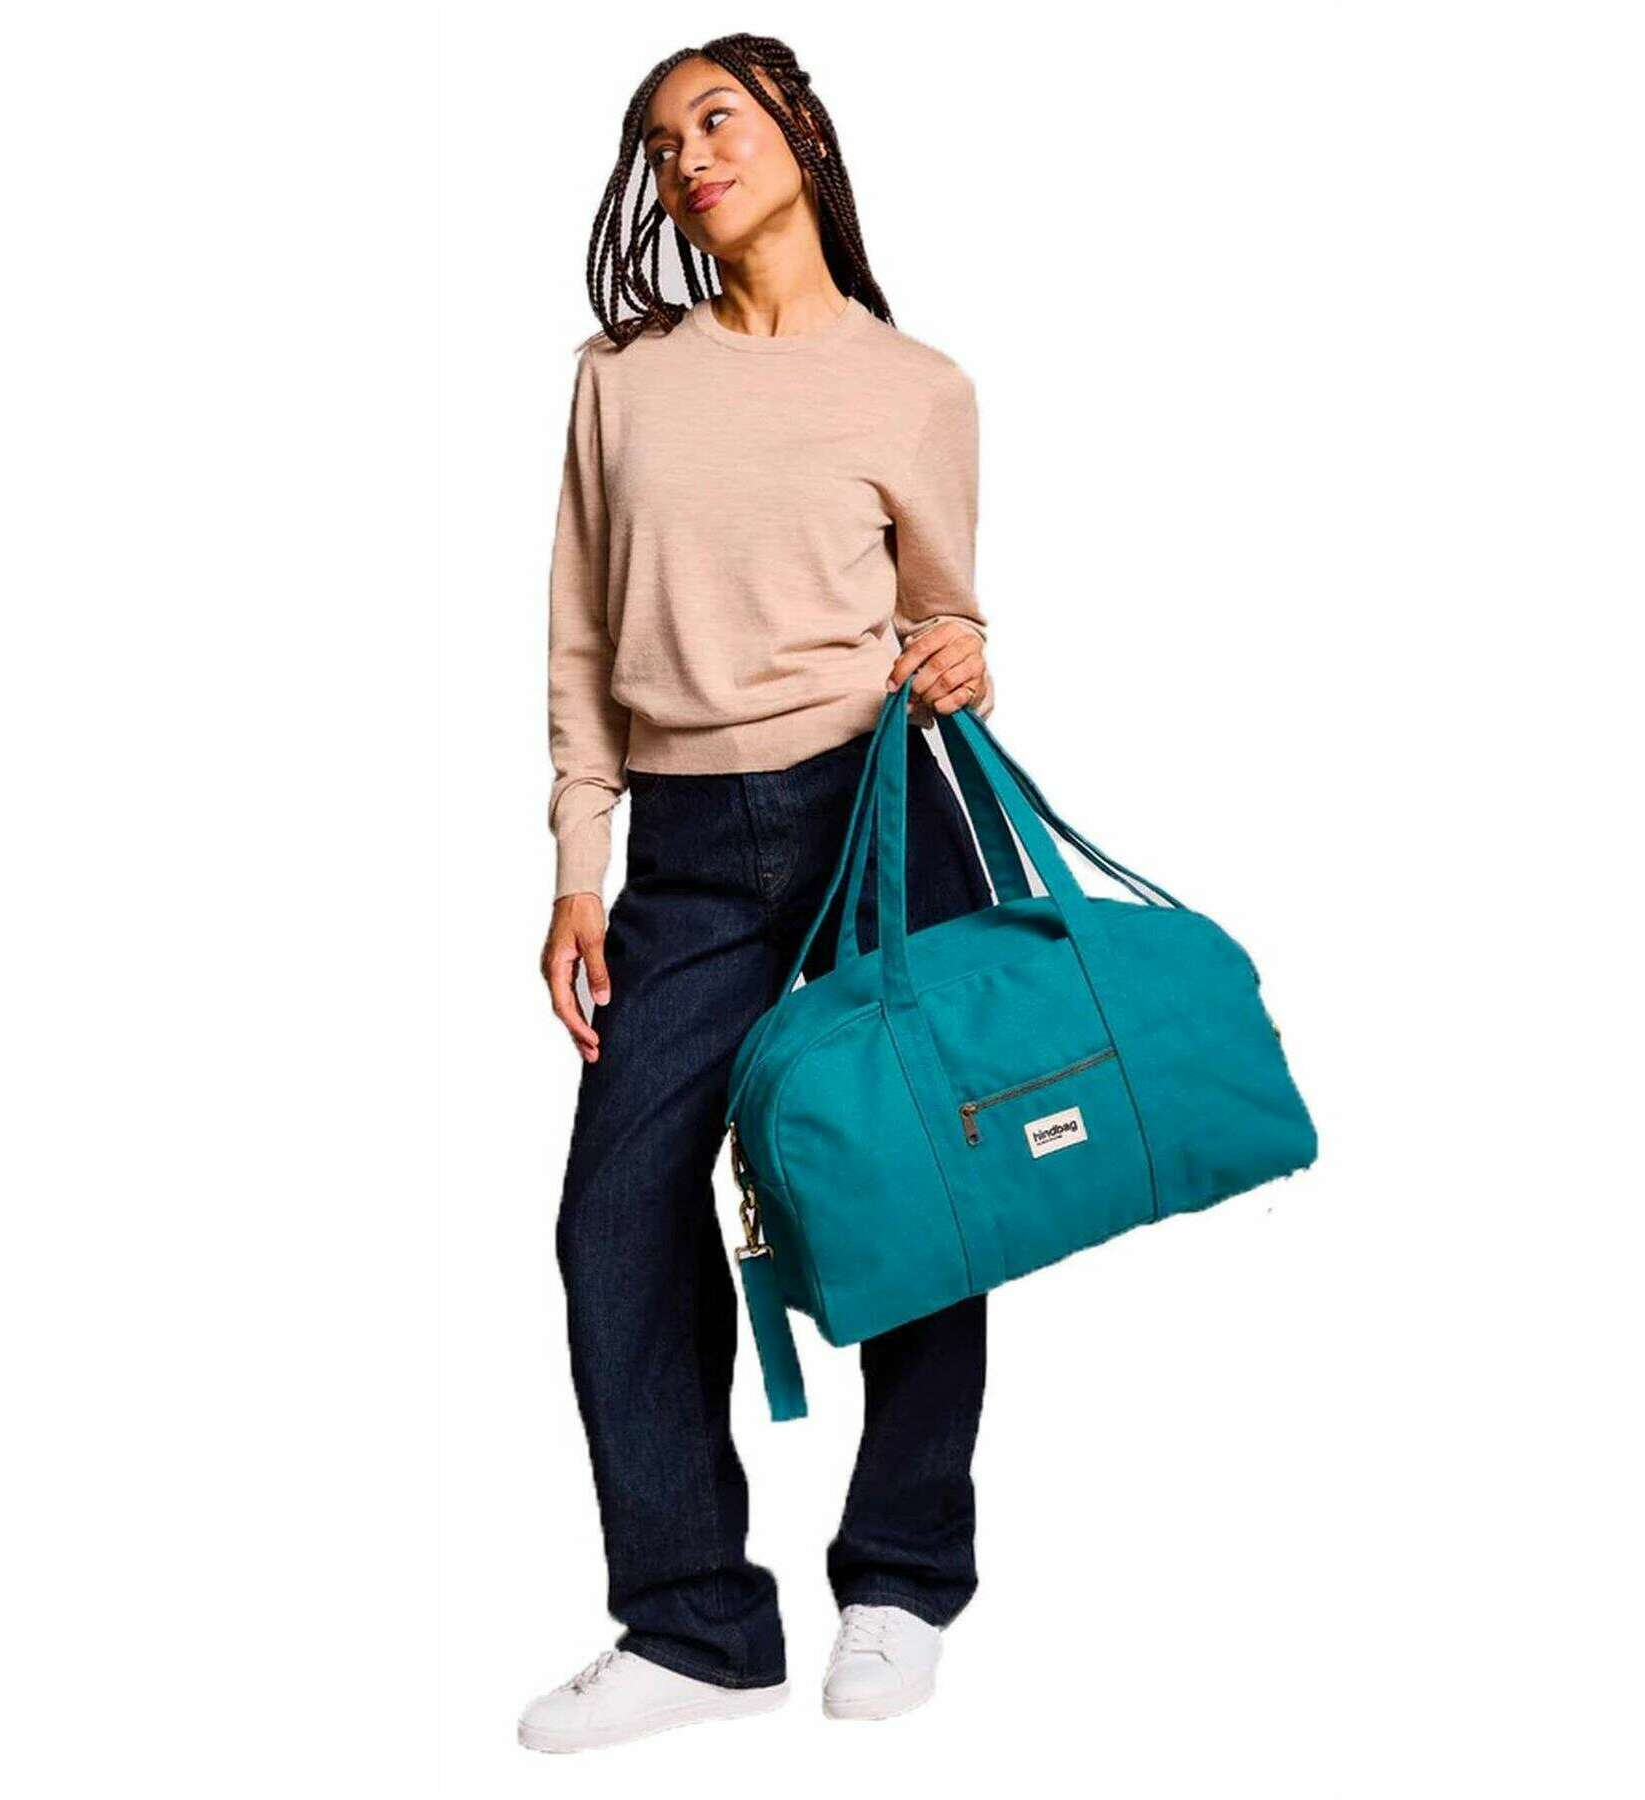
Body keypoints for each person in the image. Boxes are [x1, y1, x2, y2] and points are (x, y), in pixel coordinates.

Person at [520, 34, 1000, 1753]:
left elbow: (945, 616)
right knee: (614, 1214)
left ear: (797, 128)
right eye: (662, 142)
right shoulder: (623, 379)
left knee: (924, 1189)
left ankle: (902, 1581)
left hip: (880, 806)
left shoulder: (916, 384)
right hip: (682, 841)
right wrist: (580, 865)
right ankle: (695, 1625)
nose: (689, 158)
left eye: (715, 118)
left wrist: (962, 653)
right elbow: (581, 642)